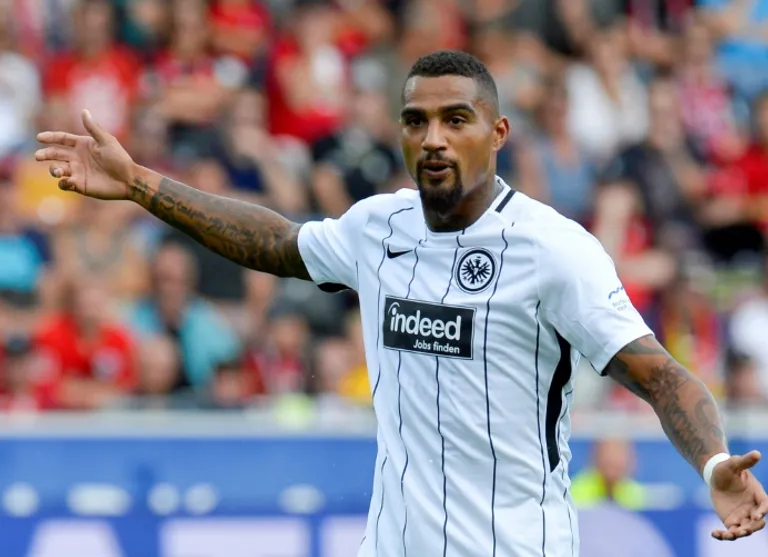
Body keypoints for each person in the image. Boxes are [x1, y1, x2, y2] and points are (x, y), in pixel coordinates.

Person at [35, 50, 767, 555]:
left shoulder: (554, 250)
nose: (434, 139)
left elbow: (661, 376)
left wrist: (713, 464)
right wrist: (141, 185)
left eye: (456, 119)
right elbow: (276, 242)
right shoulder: (377, 227)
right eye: (417, 121)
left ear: (498, 133)